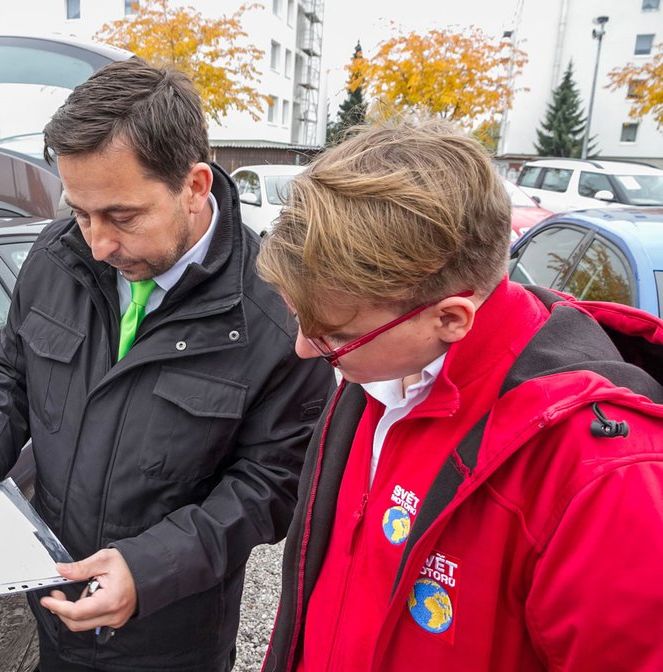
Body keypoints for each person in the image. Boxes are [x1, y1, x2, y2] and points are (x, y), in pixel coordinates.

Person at [0, 57, 336, 671]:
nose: (96, 242)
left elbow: (273, 482)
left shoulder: (277, 312)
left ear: (194, 186)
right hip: (56, 608)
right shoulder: (57, 258)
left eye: (121, 216)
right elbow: (10, 368)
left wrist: (150, 569)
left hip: (170, 636)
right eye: (80, 212)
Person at [256, 118, 663, 672]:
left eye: (334, 334)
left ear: (449, 317)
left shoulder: (598, 473)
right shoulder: (381, 370)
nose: (305, 349)